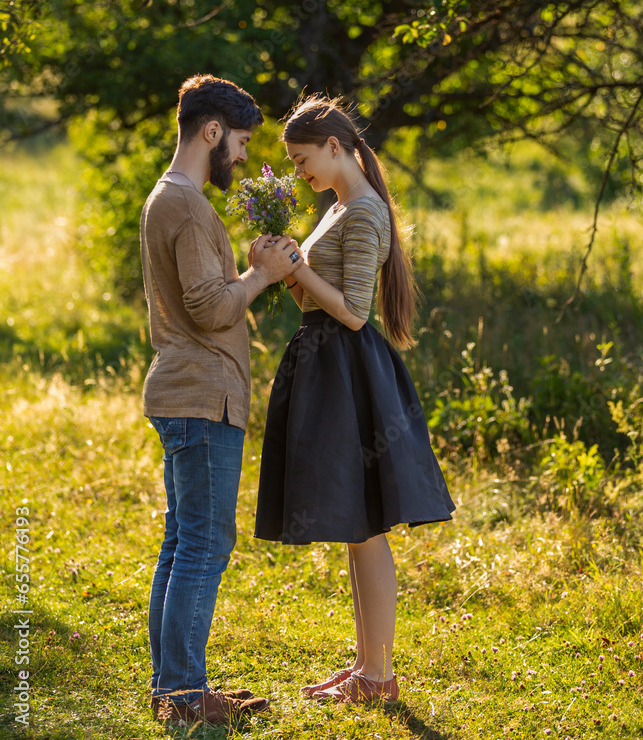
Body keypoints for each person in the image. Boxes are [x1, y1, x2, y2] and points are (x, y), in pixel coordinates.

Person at [254, 95, 455, 705]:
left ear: (335, 146)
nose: (298, 173)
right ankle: (368, 666)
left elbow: (353, 311)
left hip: (350, 371)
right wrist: (287, 268)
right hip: (327, 366)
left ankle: (379, 677)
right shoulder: (336, 208)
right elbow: (314, 300)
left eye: (303, 159)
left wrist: (295, 266)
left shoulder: (364, 212)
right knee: (353, 523)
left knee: (365, 527)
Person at [140, 75, 303, 726]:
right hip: (200, 395)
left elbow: (203, 297)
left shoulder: (171, 198)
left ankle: (172, 688)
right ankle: (182, 696)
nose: (240, 157)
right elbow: (210, 308)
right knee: (203, 545)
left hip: (188, 391)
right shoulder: (185, 205)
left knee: (183, 543)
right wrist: (263, 275)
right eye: (238, 142)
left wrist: (249, 271)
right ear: (210, 132)